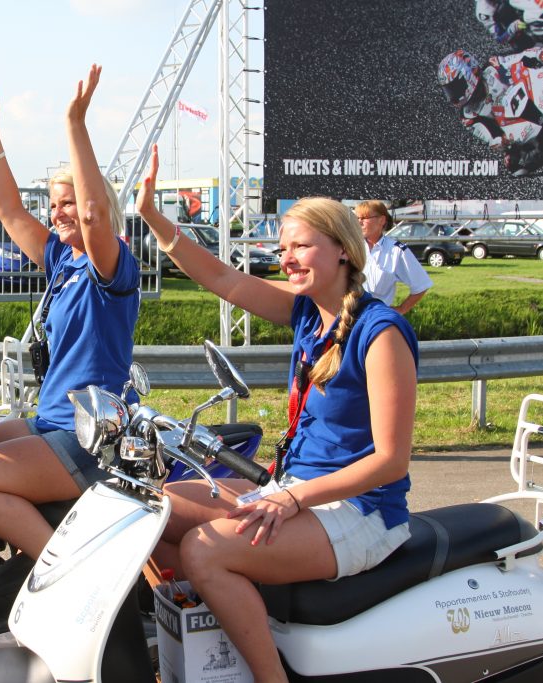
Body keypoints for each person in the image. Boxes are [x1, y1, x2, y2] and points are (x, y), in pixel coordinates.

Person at [138, 145, 417, 683]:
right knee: (155, 510)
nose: (286, 257)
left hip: (360, 512)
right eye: (283, 246)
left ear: (342, 250)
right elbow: (222, 278)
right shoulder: (305, 314)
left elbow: (390, 461)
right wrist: (153, 216)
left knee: (204, 551)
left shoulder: (379, 333)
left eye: (301, 246)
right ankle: (212, 653)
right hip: (295, 490)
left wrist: (290, 498)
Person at [0, 65, 140, 561]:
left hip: (87, 436)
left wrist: (75, 124)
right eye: (53, 204)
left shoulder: (110, 266)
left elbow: (92, 217)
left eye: (66, 202)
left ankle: (65, 575)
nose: (58, 212)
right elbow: (7, 210)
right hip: (49, 420)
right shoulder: (63, 260)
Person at [437, 47, 543, 175]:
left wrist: (541, 54)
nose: (454, 95)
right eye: (450, 90)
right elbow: (489, 135)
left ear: (469, 72)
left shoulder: (494, 65)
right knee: (514, 165)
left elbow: (522, 56)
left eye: (456, 87)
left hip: (534, 92)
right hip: (514, 127)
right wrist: (500, 142)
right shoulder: (468, 116)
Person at [353, 200, 431, 315]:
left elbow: (421, 284)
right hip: (345, 317)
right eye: (357, 218)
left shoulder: (396, 251)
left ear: (382, 220)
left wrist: (401, 309)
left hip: (376, 319)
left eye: (364, 218)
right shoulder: (349, 248)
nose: (360, 222)